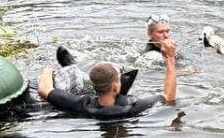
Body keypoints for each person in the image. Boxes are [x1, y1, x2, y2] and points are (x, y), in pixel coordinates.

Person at [37, 39, 177, 118]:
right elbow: (169, 96)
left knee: (77, 90)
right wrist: (170, 58)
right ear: (116, 86)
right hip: (119, 106)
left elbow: (44, 89)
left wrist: (48, 70)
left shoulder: (80, 106)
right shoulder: (134, 107)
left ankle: (72, 67)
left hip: (90, 103)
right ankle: (73, 67)